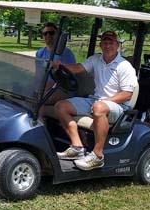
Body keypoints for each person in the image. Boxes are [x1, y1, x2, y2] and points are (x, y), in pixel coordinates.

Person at [52, 30, 138, 171]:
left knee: (98, 107)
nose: (107, 45)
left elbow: (127, 95)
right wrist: (61, 66)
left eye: (111, 42)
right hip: (96, 101)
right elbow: (79, 68)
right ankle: (77, 147)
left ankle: (97, 156)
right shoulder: (96, 59)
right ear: (100, 45)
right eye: (105, 42)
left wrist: (104, 102)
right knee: (61, 106)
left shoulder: (124, 66)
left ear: (117, 45)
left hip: (119, 107)